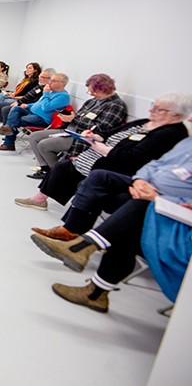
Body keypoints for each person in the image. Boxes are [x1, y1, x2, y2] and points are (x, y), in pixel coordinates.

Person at [28, 133, 192, 313]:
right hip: (154, 200)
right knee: (105, 183)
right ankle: (91, 278)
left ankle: (82, 248)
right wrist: (141, 181)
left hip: (177, 219)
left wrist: (164, 200)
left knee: (137, 211)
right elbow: (154, 165)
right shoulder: (187, 143)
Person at [15, 92, 191, 212]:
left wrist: (103, 147)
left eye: (158, 109)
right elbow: (111, 132)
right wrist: (97, 136)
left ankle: (73, 225)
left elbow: (138, 156)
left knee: (58, 157)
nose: (151, 110)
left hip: (116, 161)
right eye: (153, 105)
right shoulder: (145, 121)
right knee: (63, 165)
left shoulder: (171, 133)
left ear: (176, 115)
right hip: (97, 147)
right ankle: (42, 199)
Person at [25, 73, 128, 179]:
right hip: (71, 130)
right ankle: (45, 168)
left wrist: (74, 119)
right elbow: (79, 117)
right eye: (90, 91)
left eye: (93, 91)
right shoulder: (92, 101)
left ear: (105, 89)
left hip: (84, 138)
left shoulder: (115, 106)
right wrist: (71, 118)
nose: (91, 94)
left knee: (44, 145)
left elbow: (101, 129)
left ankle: (57, 174)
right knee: (34, 137)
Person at [0, 73, 71, 151]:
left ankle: (8, 141)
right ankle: (8, 129)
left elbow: (46, 108)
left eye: (53, 81)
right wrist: (28, 105)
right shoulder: (51, 92)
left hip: (41, 119)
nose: (50, 82)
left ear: (62, 84)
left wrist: (45, 93)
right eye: (51, 80)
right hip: (32, 112)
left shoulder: (62, 96)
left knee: (14, 119)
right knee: (9, 109)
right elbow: (39, 103)